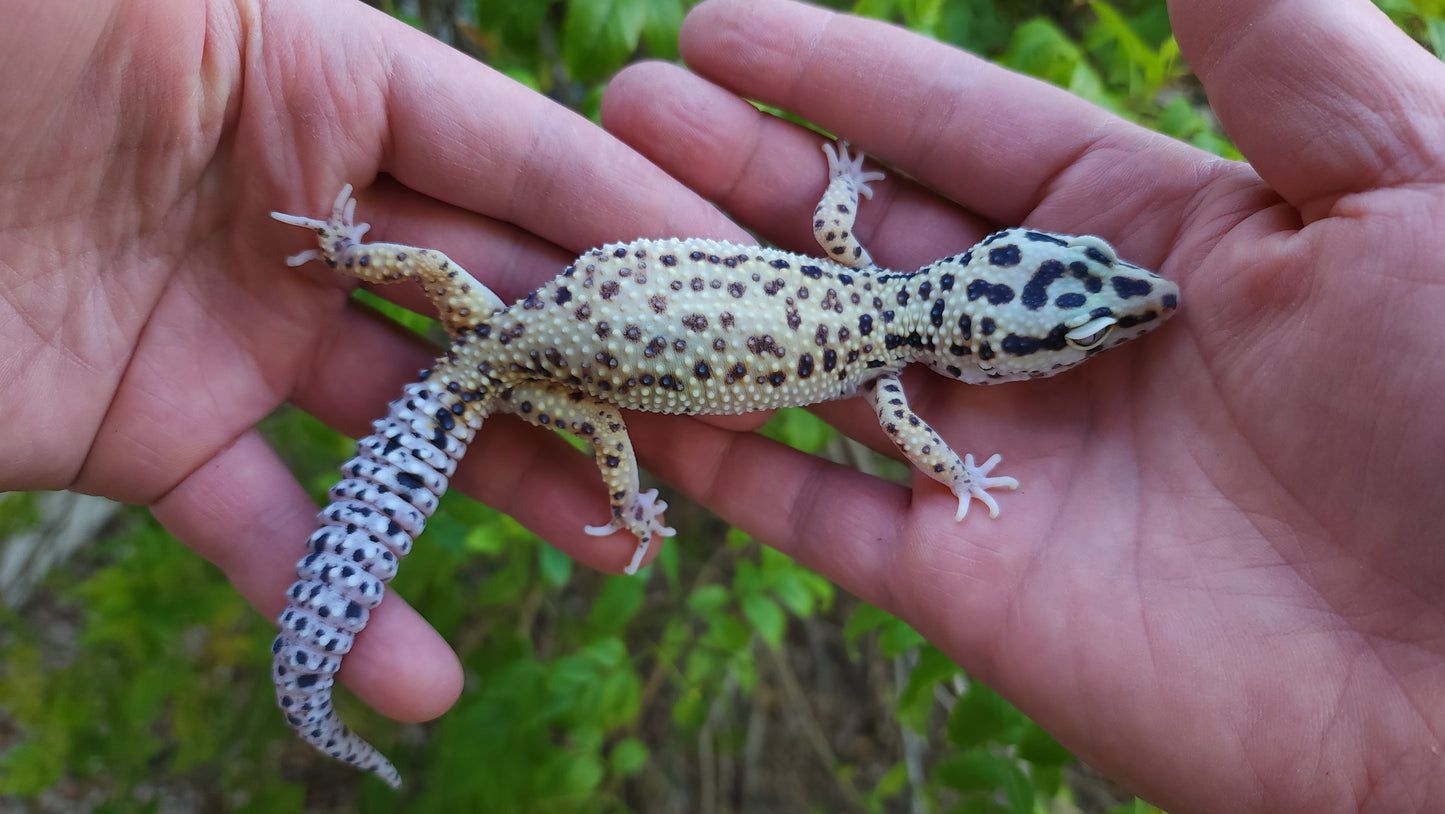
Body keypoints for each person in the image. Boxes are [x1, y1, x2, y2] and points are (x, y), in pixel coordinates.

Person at [3, 0, 1441, 809]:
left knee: (466, 312)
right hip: (556, 366)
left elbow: (830, 219)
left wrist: (843, 188)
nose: (1126, 303)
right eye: (1084, 314)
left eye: (1090, 310)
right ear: (992, 329)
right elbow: (922, 441)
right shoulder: (884, 366)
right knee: (580, 414)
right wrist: (932, 480)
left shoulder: (861, 272)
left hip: (537, 338)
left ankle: (350, 275)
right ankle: (454, 536)